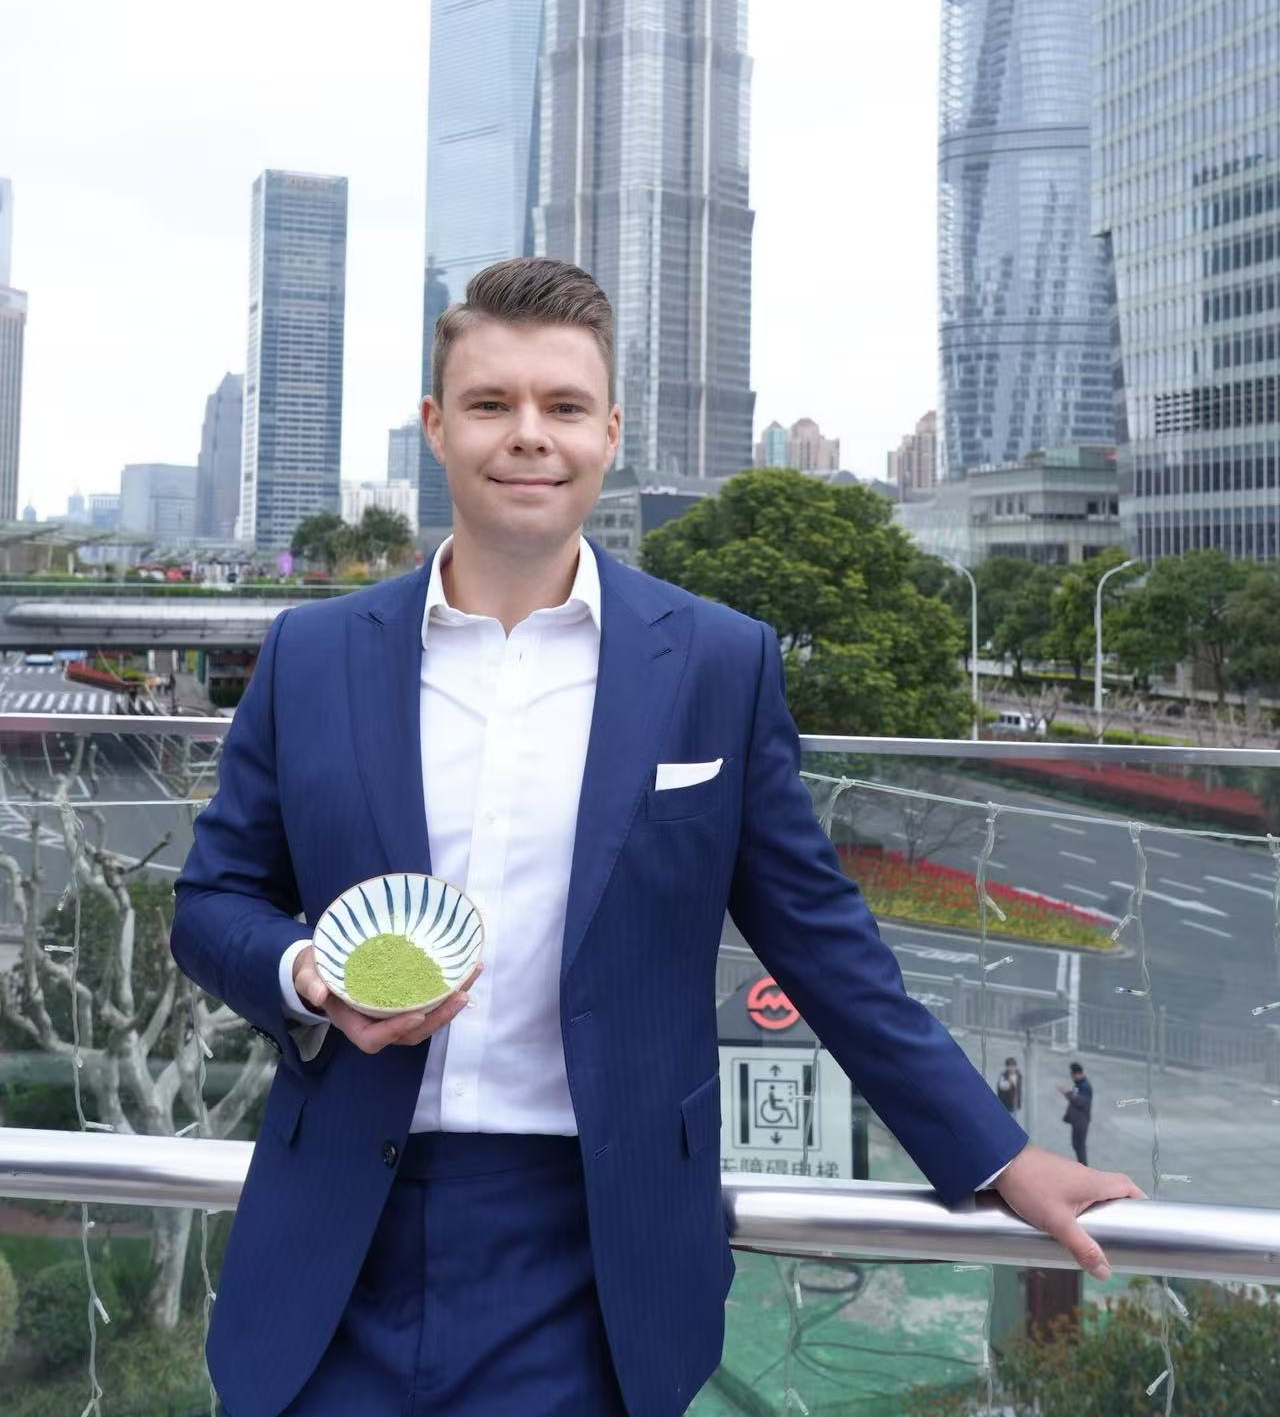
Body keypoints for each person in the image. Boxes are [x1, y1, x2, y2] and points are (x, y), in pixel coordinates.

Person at [171, 259, 1143, 1417]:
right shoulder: (312, 653)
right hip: (337, 1234)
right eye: (490, 404)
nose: (527, 436)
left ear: (609, 431)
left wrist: (995, 1155)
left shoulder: (716, 664)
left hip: (594, 1243)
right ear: (436, 426)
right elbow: (212, 900)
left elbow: (819, 936)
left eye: (562, 406)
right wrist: (305, 977)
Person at [1060, 1060, 1094, 1164]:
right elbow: (1074, 1098)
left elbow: (1081, 1102)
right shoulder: (1078, 1084)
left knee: (1080, 1145)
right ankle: (1081, 1164)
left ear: (1078, 1074)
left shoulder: (1085, 1086)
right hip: (1077, 1120)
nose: (1072, 1078)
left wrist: (1067, 1093)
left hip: (1082, 1120)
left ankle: (1083, 1166)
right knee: (1076, 1144)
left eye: (1073, 1075)